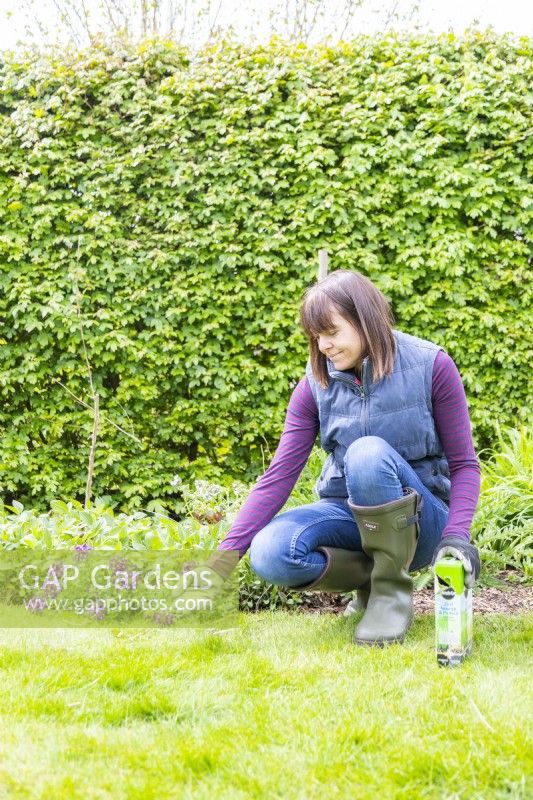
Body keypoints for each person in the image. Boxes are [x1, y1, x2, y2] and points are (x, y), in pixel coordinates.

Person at [216, 269, 481, 646]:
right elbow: (279, 475)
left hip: (422, 522)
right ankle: (372, 584)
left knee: (367, 453)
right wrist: (226, 556)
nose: (323, 345)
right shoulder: (315, 384)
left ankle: (391, 596)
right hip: (350, 515)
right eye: (316, 336)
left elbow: (465, 465)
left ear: (364, 319)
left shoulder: (431, 366)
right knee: (270, 553)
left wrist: (456, 538)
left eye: (332, 332)